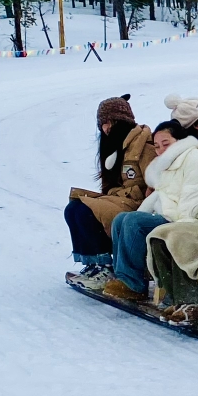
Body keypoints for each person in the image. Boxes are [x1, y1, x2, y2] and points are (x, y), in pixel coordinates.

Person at [102, 105, 198, 302]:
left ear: (179, 141)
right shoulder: (167, 163)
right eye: (156, 146)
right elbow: (159, 196)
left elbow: (195, 197)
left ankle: (132, 283)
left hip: (184, 221)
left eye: (166, 143)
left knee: (134, 222)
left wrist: (179, 227)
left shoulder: (194, 159)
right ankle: (122, 276)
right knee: (122, 219)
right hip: (167, 214)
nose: (160, 149)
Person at [65, 94, 151, 281]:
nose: (106, 128)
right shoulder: (113, 147)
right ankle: (93, 263)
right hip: (119, 200)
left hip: (139, 204)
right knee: (73, 208)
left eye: (110, 122)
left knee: (85, 211)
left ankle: (105, 267)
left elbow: (154, 180)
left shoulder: (144, 144)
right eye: (102, 124)